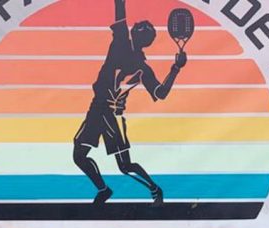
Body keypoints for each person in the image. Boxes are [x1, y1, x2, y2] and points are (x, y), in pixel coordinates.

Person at [73, 0, 187, 204]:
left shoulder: (135, 59)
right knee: (79, 155)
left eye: (140, 27)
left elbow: (160, 93)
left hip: (113, 114)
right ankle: (104, 190)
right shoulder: (123, 45)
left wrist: (176, 69)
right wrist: (175, 69)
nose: (135, 26)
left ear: (139, 35)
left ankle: (154, 188)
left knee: (124, 166)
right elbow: (161, 93)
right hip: (97, 108)